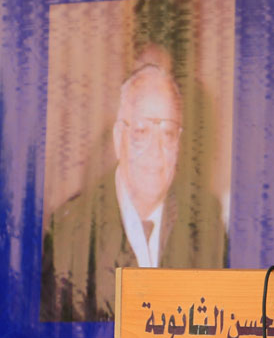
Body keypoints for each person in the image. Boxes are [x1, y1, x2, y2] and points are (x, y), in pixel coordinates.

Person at [41, 57, 227, 322]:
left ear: (179, 144)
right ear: (119, 139)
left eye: (167, 133)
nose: (156, 151)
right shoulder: (69, 236)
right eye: (141, 131)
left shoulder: (207, 227)